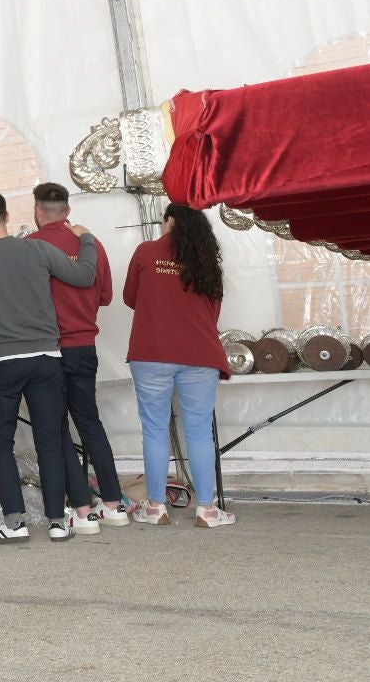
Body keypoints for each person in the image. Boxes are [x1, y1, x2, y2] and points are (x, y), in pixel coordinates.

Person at [0, 191, 98, 543]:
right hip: (47, 358)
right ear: (6, 214)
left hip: (2, 361)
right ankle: (56, 522)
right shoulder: (36, 249)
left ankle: (15, 523)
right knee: (50, 438)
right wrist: (87, 238)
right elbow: (84, 275)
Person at [124, 204, 234, 529]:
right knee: (200, 431)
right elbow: (213, 311)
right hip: (200, 353)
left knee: (155, 429)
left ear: (169, 220)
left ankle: (156, 507)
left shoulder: (146, 252)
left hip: (152, 351)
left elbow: (131, 297)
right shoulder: (206, 261)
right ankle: (207, 510)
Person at [27, 183, 128, 530]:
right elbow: (105, 296)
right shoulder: (93, 245)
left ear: (38, 212)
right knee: (90, 423)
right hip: (85, 345)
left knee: (56, 428)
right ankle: (114, 504)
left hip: (49, 349)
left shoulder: (29, 248)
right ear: (68, 211)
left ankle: (82, 510)